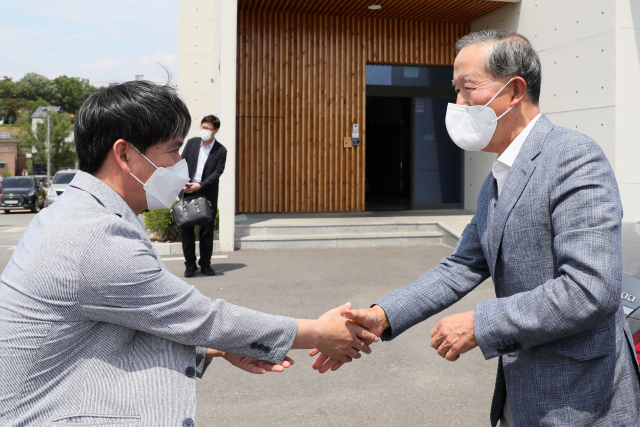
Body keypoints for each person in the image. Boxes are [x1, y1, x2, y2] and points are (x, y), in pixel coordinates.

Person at [0, 80, 377, 426]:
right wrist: (318, 333)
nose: (180, 165)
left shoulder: (80, 214)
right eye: (173, 150)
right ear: (125, 155)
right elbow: (201, 317)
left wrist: (218, 348)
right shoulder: (94, 236)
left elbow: (128, 318)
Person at [312, 30, 640, 426]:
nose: (458, 103)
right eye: (456, 89)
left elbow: (590, 289)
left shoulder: (574, 158)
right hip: (521, 395)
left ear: (515, 90)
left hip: (583, 397)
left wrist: (481, 323)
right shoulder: (497, 177)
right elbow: (462, 265)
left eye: (468, 88)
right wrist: (384, 315)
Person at [180, 115, 226, 277]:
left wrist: (200, 185)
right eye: (203, 127)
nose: (204, 131)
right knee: (186, 228)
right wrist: (184, 184)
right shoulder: (192, 143)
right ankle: (190, 265)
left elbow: (217, 172)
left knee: (206, 230)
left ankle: (205, 264)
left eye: (208, 129)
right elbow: (181, 163)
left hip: (206, 193)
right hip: (187, 189)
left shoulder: (221, 150)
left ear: (216, 131)